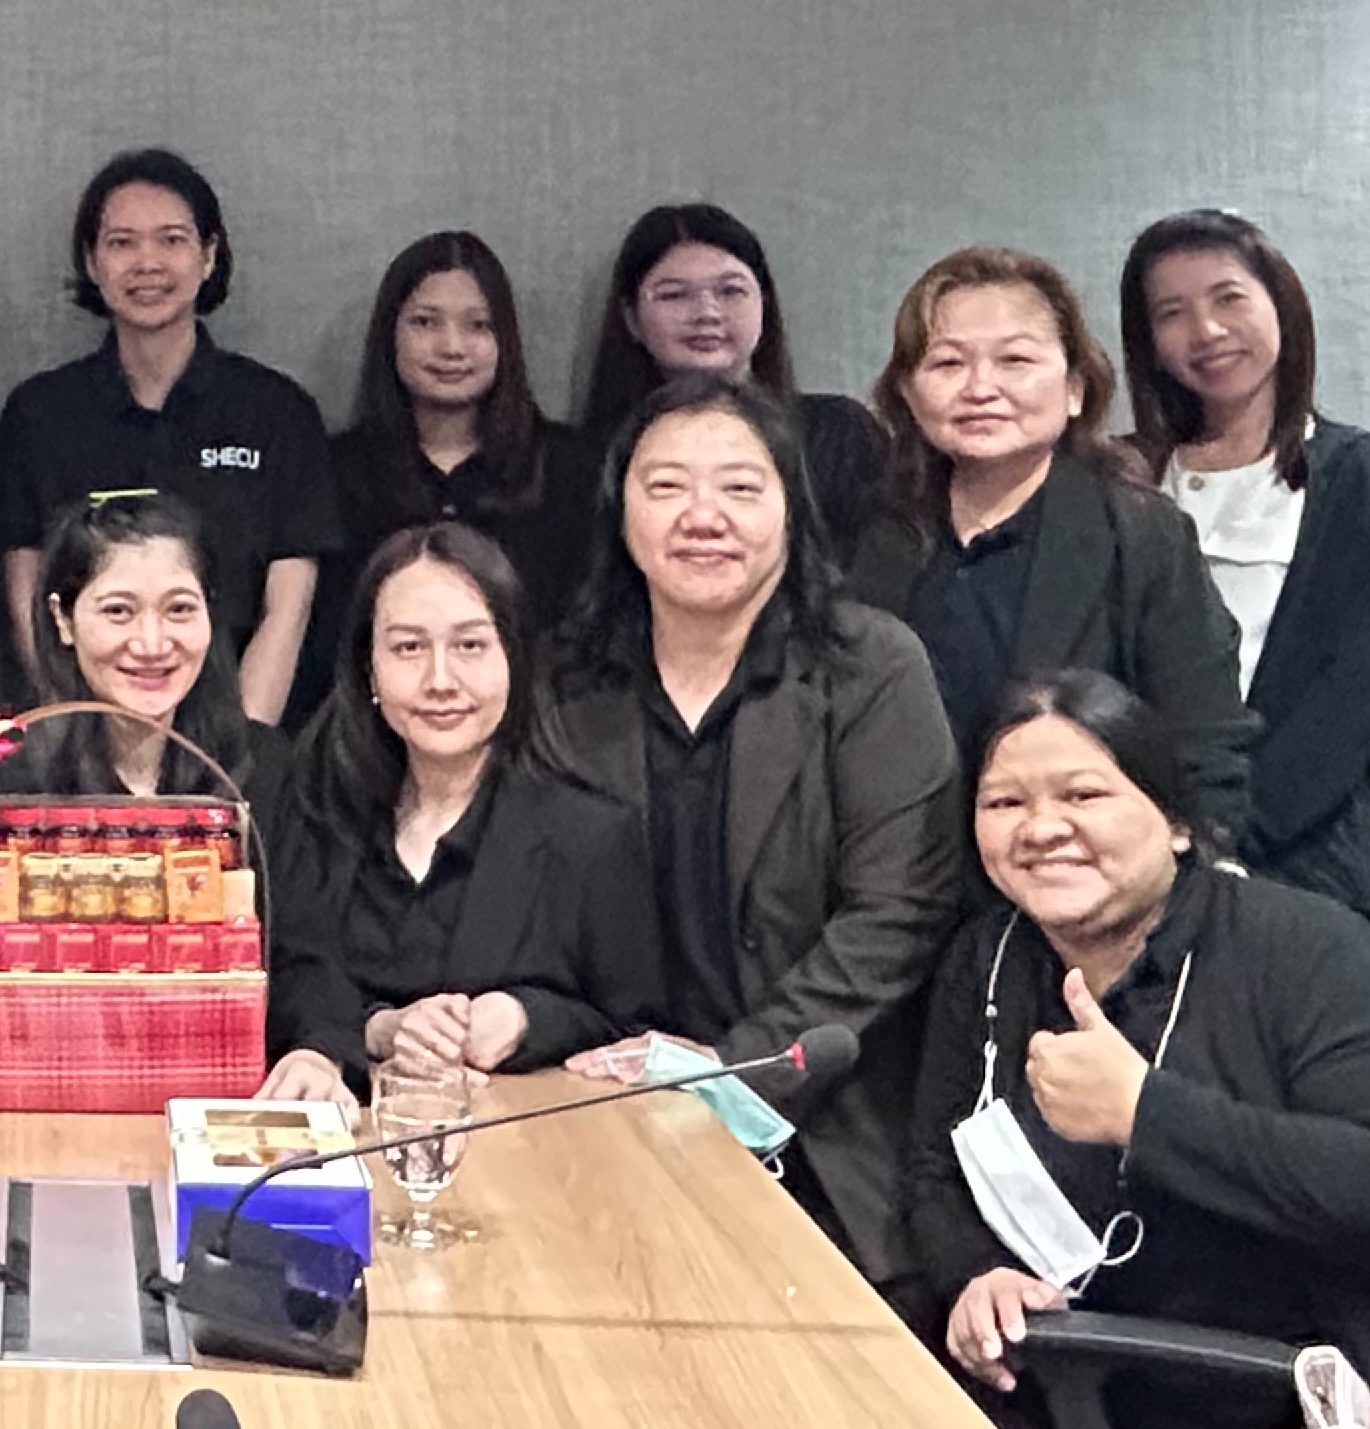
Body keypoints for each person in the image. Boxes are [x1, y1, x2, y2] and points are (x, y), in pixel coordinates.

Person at [906, 672, 1370, 1429]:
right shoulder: (989, 959)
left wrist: (1147, 1114)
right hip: (1055, 1389)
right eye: (1005, 803)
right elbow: (934, 1165)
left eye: (1083, 795)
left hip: (1274, 1403)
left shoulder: (1308, 955)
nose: (1041, 828)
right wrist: (973, 1273)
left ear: (1175, 823)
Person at [553, 374, 963, 1293]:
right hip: (604, 1116)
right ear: (620, 511)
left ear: (791, 508)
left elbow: (899, 911)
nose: (703, 516)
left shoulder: (870, 668)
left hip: (822, 1132)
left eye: (740, 487)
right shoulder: (570, 683)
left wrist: (730, 1071)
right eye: (666, 486)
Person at [851, 247, 1252, 845]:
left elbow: (1204, 739)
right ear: (907, 393)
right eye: (948, 363)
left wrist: (1197, 856)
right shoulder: (867, 534)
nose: (981, 387)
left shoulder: (1141, 533)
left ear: (1075, 389)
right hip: (902, 872)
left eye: (1015, 360)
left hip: (1075, 864)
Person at [258, 525, 660, 1106]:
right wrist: (381, 1030)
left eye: (470, 646)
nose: (440, 681)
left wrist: (526, 1018)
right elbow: (284, 988)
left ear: (513, 658)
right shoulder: (315, 812)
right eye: (408, 648)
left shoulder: (593, 835)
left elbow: (641, 1034)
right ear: (368, 670)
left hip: (531, 1149)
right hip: (344, 1138)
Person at [1119, 210, 1370, 927]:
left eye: (1228, 298)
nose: (1206, 330)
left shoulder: (1366, 478)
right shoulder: (1121, 478)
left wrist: (1225, 837)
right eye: (1172, 313)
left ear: (1282, 305)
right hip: (1124, 860)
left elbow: (1356, 691)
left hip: (1300, 865)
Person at [0, 149, 339, 725]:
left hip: (239, 728)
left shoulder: (276, 412)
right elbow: (30, 595)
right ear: (91, 262)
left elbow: (288, 606)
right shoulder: (40, 413)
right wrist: (80, 731)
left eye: (172, 240)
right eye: (121, 243)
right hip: (81, 730)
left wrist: (240, 748)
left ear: (209, 255)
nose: (147, 263)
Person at [316, 232, 605, 715]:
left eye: (478, 326)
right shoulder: (334, 471)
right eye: (425, 322)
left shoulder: (571, 468)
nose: (452, 347)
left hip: (542, 728)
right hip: (371, 727)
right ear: (390, 333)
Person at [578, 203, 887, 566]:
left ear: (764, 304)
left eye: (730, 291)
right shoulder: (591, 458)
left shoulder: (839, 435)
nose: (707, 313)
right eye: (674, 295)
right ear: (631, 318)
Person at [0, 491, 283, 808]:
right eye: (118, 611)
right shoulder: (2, 778)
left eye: (179, 609)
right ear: (63, 619)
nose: (151, 645)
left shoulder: (267, 769)